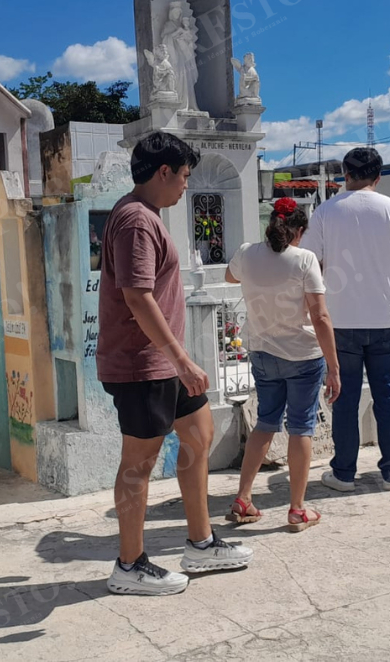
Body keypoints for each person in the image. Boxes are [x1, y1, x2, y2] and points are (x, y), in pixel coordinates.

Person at [99, 132, 253, 597]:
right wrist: (181, 359)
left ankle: (201, 543)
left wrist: (178, 362)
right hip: (142, 364)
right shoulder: (136, 221)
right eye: (184, 175)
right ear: (163, 172)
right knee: (138, 464)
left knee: (199, 434)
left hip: (163, 363)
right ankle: (129, 565)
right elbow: (137, 297)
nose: (188, 184)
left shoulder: (145, 215)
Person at [300, 147, 390, 492]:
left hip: (341, 320)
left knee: (343, 397)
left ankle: (344, 473)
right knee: (388, 396)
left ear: (345, 174)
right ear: (378, 176)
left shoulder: (326, 211)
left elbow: (308, 264)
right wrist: (389, 270)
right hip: (387, 319)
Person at [224, 197, 340, 531]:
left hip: (262, 351)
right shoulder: (304, 260)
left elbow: (230, 277)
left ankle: (243, 497)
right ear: (299, 231)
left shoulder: (247, 253)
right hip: (303, 355)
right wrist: (334, 367)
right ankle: (297, 508)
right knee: (301, 427)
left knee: (266, 422)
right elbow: (320, 316)